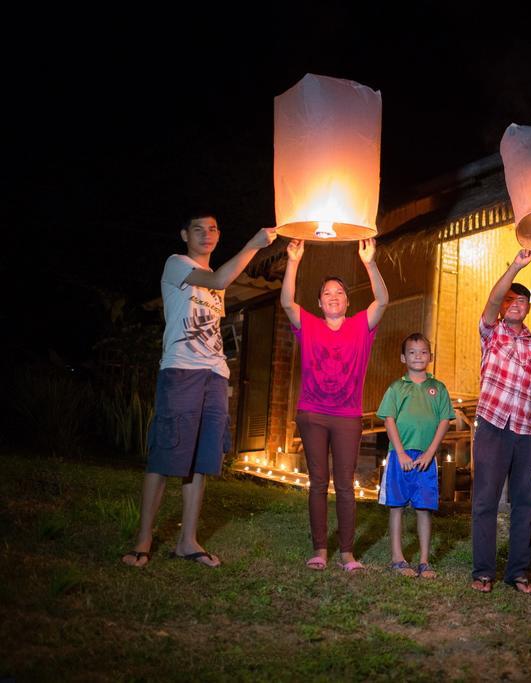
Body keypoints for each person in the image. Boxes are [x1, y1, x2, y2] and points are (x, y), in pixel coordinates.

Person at [121, 213, 277, 568]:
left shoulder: (214, 285)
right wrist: (254, 244)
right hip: (180, 371)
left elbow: (217, 293)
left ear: (219, 235)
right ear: (183, 234)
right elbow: (221, 276)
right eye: (198, 229)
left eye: (213, 229)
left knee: (201, 460)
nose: (206, 235)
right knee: (166, 452)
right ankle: (143, 541)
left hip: (214, 375)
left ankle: (187, 540)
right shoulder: (177, 264)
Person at [280, 238, 389, 571]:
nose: (333, 297)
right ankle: (319, 550)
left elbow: (383, 301)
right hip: (312, 413)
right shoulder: (309, 325)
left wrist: (369, 262)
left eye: (339, 293)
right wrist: (294, 260)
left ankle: (346, 552)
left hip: (347, 416)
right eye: (327, 293)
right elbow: (286, 302)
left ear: (346, 301)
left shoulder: (360, 326)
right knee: (317, 481)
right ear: (319, 301)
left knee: (344, 483)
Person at [471, 248, 531, 594]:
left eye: (521, 301)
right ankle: (483, 571)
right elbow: (494, 299)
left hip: (526, 430)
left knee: (525, 502)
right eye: (510, 299)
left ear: (528, 308)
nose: (514, 304)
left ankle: (518, 573)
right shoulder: (491, 332)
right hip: (493, 424)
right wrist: (515, 266)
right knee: (485, 499)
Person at [377, 333, 454, 579]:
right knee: (397, 506)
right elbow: (389, 420)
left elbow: (444, 420)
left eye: (423, 352)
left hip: (426, 458)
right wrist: (399, 453)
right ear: (403, 357)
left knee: (424, 508)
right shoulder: (396, 388)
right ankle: (398, 558)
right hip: (400, 456)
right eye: (412, 352)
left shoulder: (438, 388)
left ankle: (424, 561)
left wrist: (431, 453)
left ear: (430, 356)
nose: (418, 356)